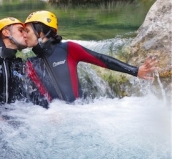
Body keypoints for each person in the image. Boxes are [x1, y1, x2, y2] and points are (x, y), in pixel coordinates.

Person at [24, 10, 158, 107]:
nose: (24, 35)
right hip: (55, 120)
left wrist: (135, 71)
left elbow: (102, 59)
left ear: (41, 33)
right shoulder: (30, 63)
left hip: (82, 115)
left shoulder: (68, 49)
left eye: (27, 31)